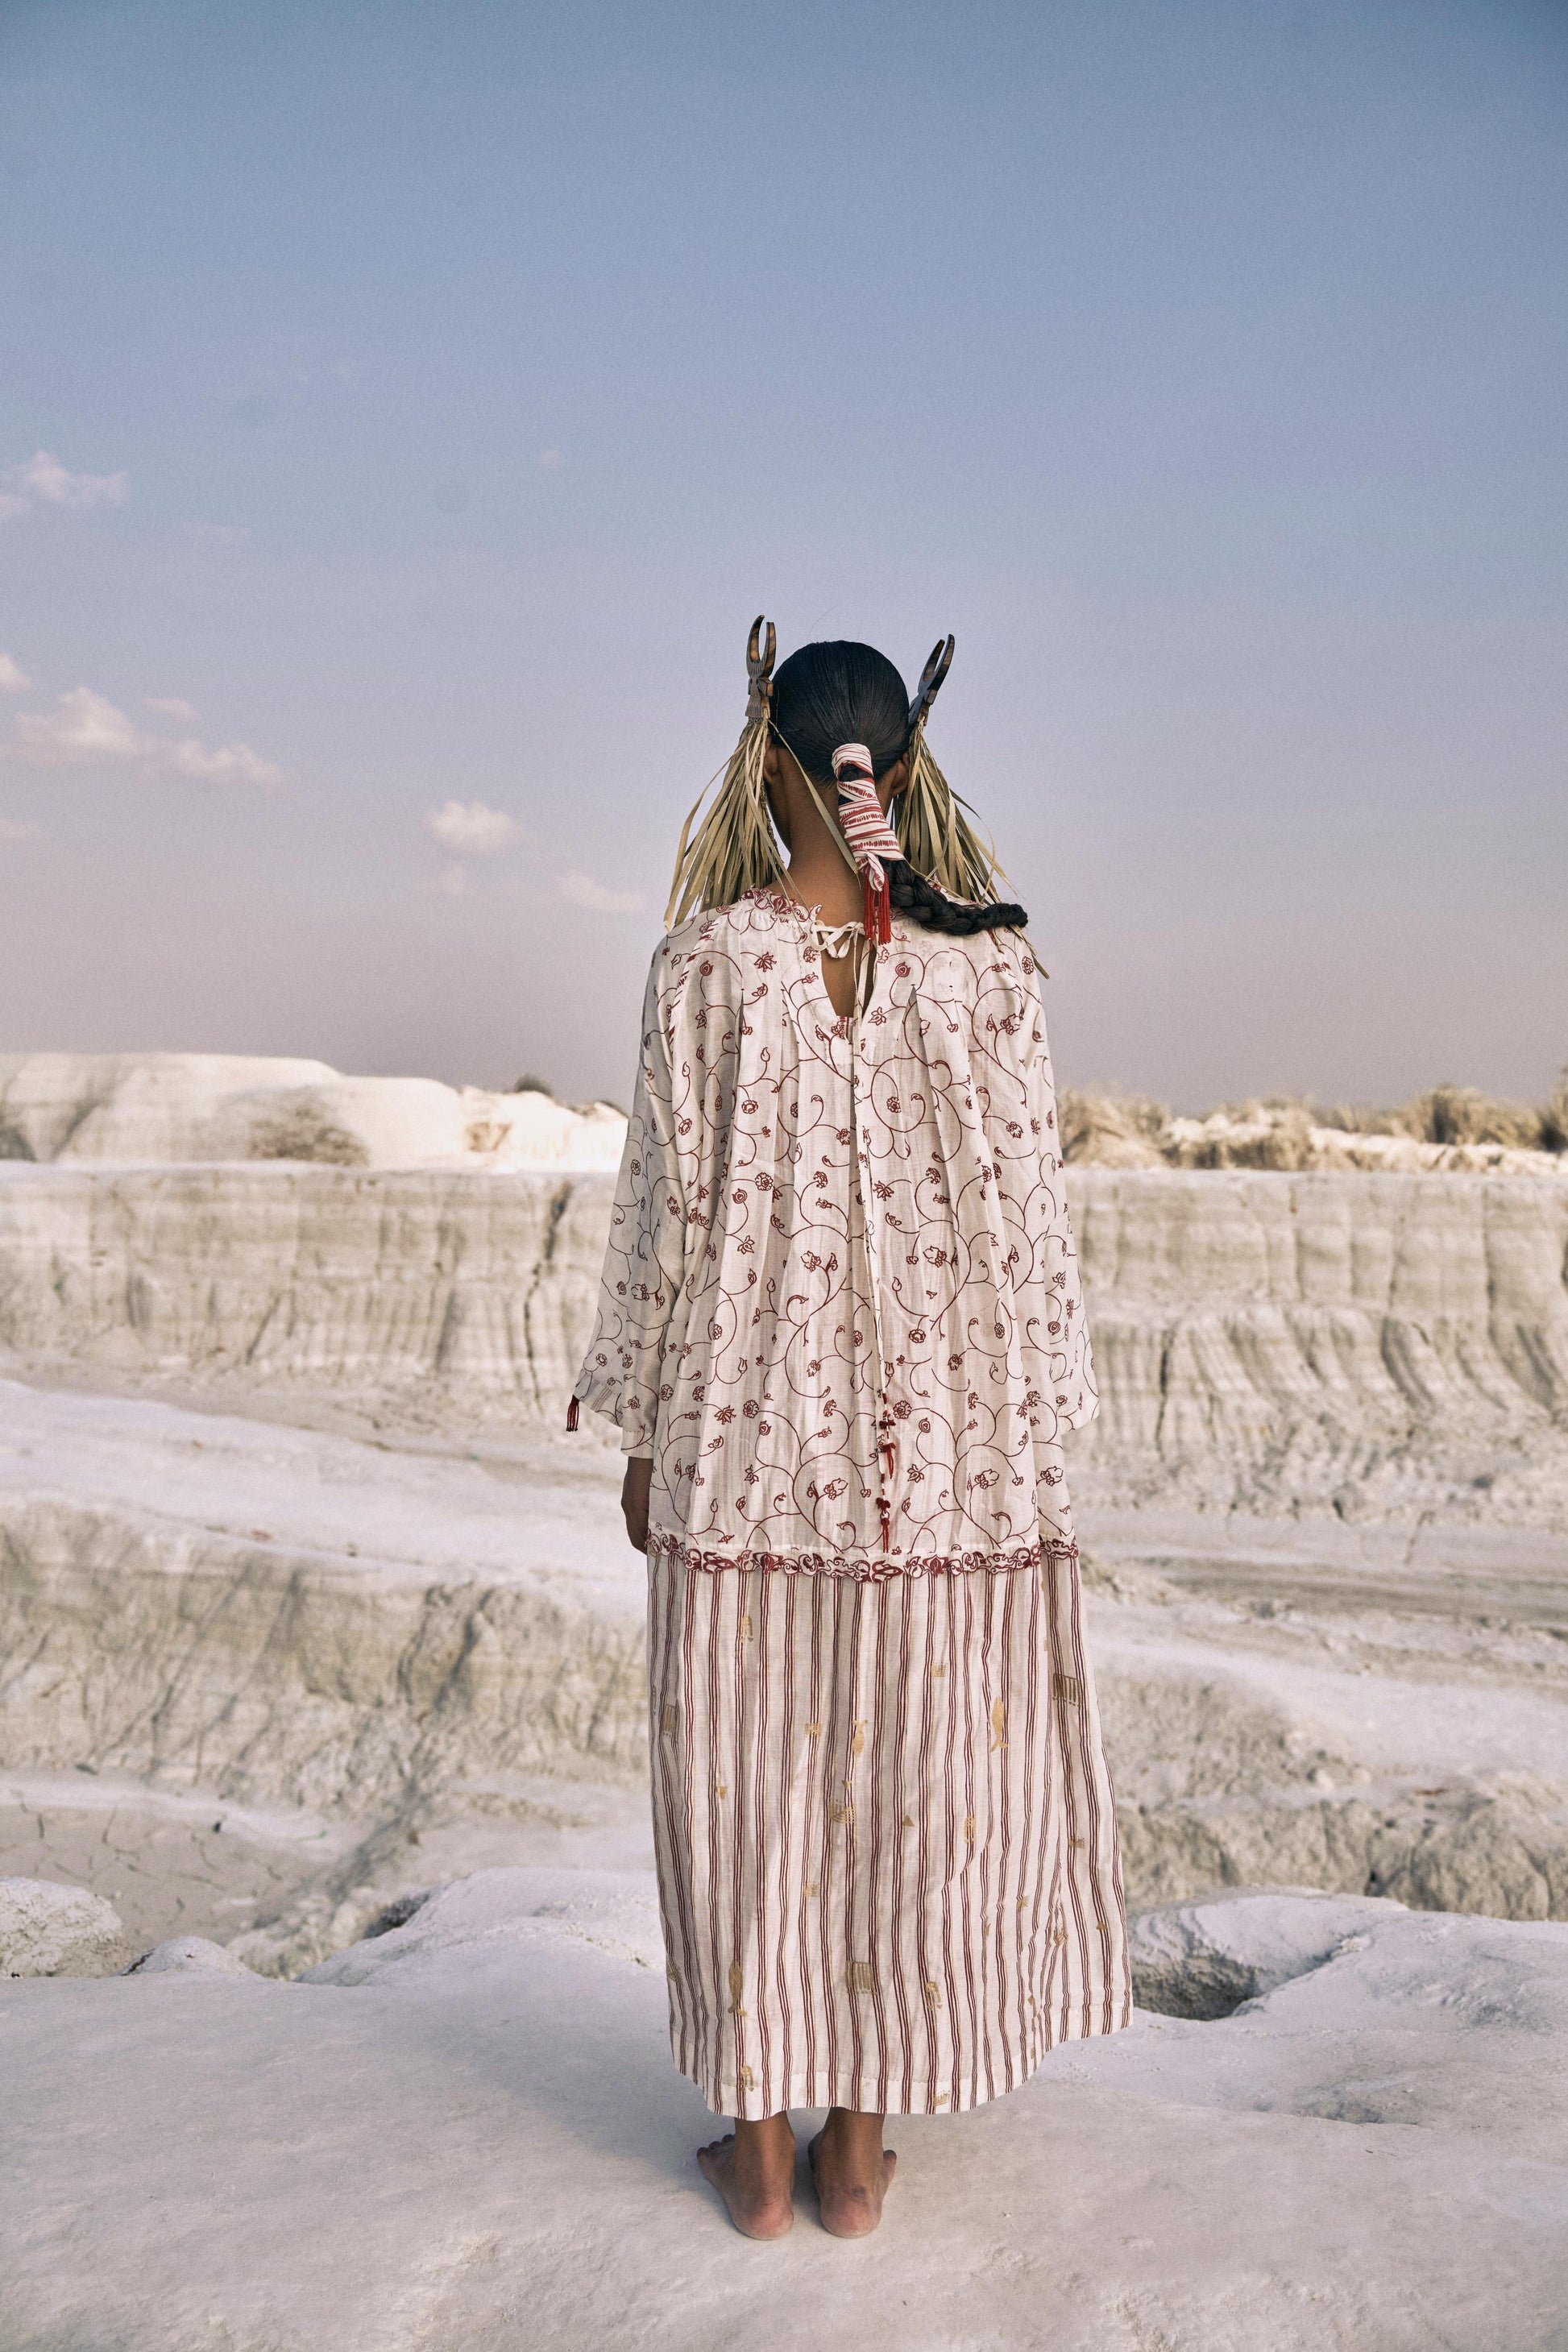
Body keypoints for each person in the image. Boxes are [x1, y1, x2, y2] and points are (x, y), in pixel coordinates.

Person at [568, 623, 1130, 2239]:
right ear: (908, 763)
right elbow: (1031, 1234)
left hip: (746, 1442)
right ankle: (858, 2159)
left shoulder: (703, 964)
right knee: (907, 1787)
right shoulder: (995, 969)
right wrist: (1037, 1436)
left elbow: (662, 1218)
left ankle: (755, 2154)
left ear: (767, 759)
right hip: (947, 1460)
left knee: (742, 1787)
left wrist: (641, 1430)